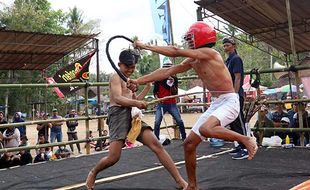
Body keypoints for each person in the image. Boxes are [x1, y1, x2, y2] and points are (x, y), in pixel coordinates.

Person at [128, 21, 258, 190]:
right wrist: (138, 80)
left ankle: (246, 139)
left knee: (205, 129)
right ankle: (192, 186)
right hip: (218, 102)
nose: (189, 41)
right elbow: (166, 71)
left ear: (201, 37)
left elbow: (175, 51)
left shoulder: (209, 53)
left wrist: (145, 46)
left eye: (191, 38)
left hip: (230, 100)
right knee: (189, 144)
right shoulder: (194, 59)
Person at [85, 49, 187, 190]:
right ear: (119, 64)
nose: (130, 70)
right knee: (113, 157)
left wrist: (147, 88)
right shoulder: (115, 77)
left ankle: (180, 181)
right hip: (118, 115)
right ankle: (93, 172)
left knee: (157, 145)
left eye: (133, 67)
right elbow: (118, 99)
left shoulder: (130, 80)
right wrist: (137, 103)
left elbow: (135, 100)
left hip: (133, 116)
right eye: (127, 67)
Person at [222, 37, 248, 160]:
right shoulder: (228, 60)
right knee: (233, 122)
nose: (226, 48)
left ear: (234, 46)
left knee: (239, 121)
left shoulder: (236, 59)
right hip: (229, 95)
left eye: (228, 45)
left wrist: (235, 94)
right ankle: (239, 145)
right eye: (224, 46)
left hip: (235, 95)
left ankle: (246, 147)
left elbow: (238, 78)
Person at [153, 60, 186, 140]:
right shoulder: (158, 79)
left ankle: (184, 137)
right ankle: (156, 140)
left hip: (172, 103)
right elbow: (155, 92)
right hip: (161, 104)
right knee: (157, 122)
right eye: (166, 69)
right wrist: (158, 99)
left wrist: (172, 84)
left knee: (179, 121)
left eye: (170, 69)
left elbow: (175, 93)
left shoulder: (174, 78)